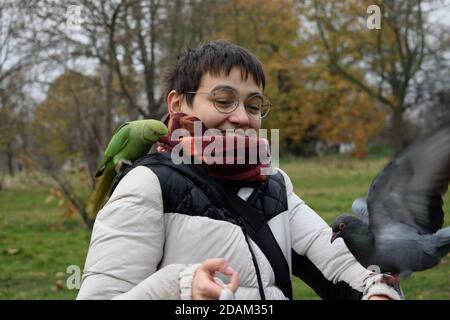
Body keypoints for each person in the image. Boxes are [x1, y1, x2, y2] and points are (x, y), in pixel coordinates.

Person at [76, 40, 403, 300]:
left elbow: (343, 266)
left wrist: (380, 290)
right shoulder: (149, 184)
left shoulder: (275, 185)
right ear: (177, 104)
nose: (242, 117)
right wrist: (180, 287)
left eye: (253, 105)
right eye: (223, 100)